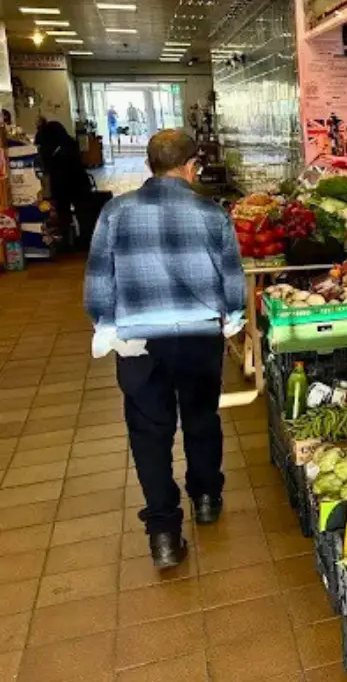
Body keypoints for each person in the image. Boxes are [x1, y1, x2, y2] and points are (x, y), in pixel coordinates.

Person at [84, 129, 245, 568]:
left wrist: (105, 324)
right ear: (191, 166)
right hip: (198, 337)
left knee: (149, 434)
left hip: (139, 341)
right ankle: (206, 498)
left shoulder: (115, 212)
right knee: (201, 418)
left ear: (148, 166)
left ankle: (164, 535)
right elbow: (232, 279)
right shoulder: (212, 213)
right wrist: (232, 315)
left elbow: (98, 280)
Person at [35, 120, 92, 250]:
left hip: (64, 186)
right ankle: (85, 240)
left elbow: (53, 172)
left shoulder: (54, 151)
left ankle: (67, 242)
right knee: (83, 214)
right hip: (79, 183)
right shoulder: (70, 145)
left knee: (65, 215)